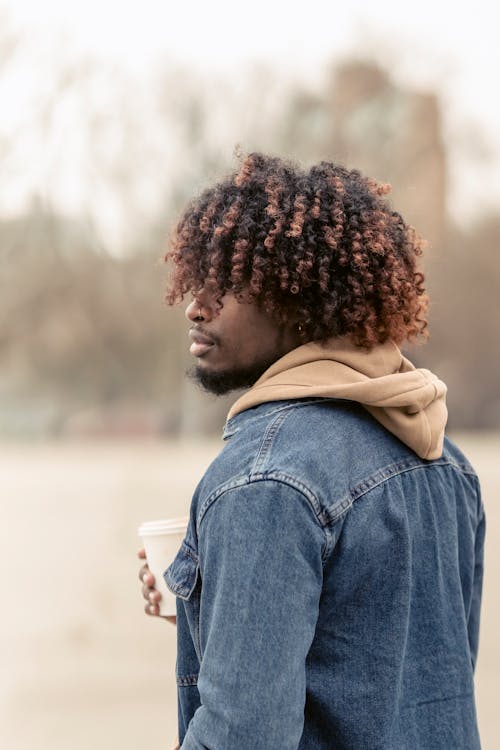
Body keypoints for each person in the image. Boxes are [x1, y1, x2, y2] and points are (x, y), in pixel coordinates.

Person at [138, 153, 485, 749]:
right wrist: (214, 608)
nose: (196, 306)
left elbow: (242, 737)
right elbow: (398, 679)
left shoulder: (263, 482)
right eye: (196, 280)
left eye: (228, 285)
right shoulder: (447, 463)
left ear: (300, 304)